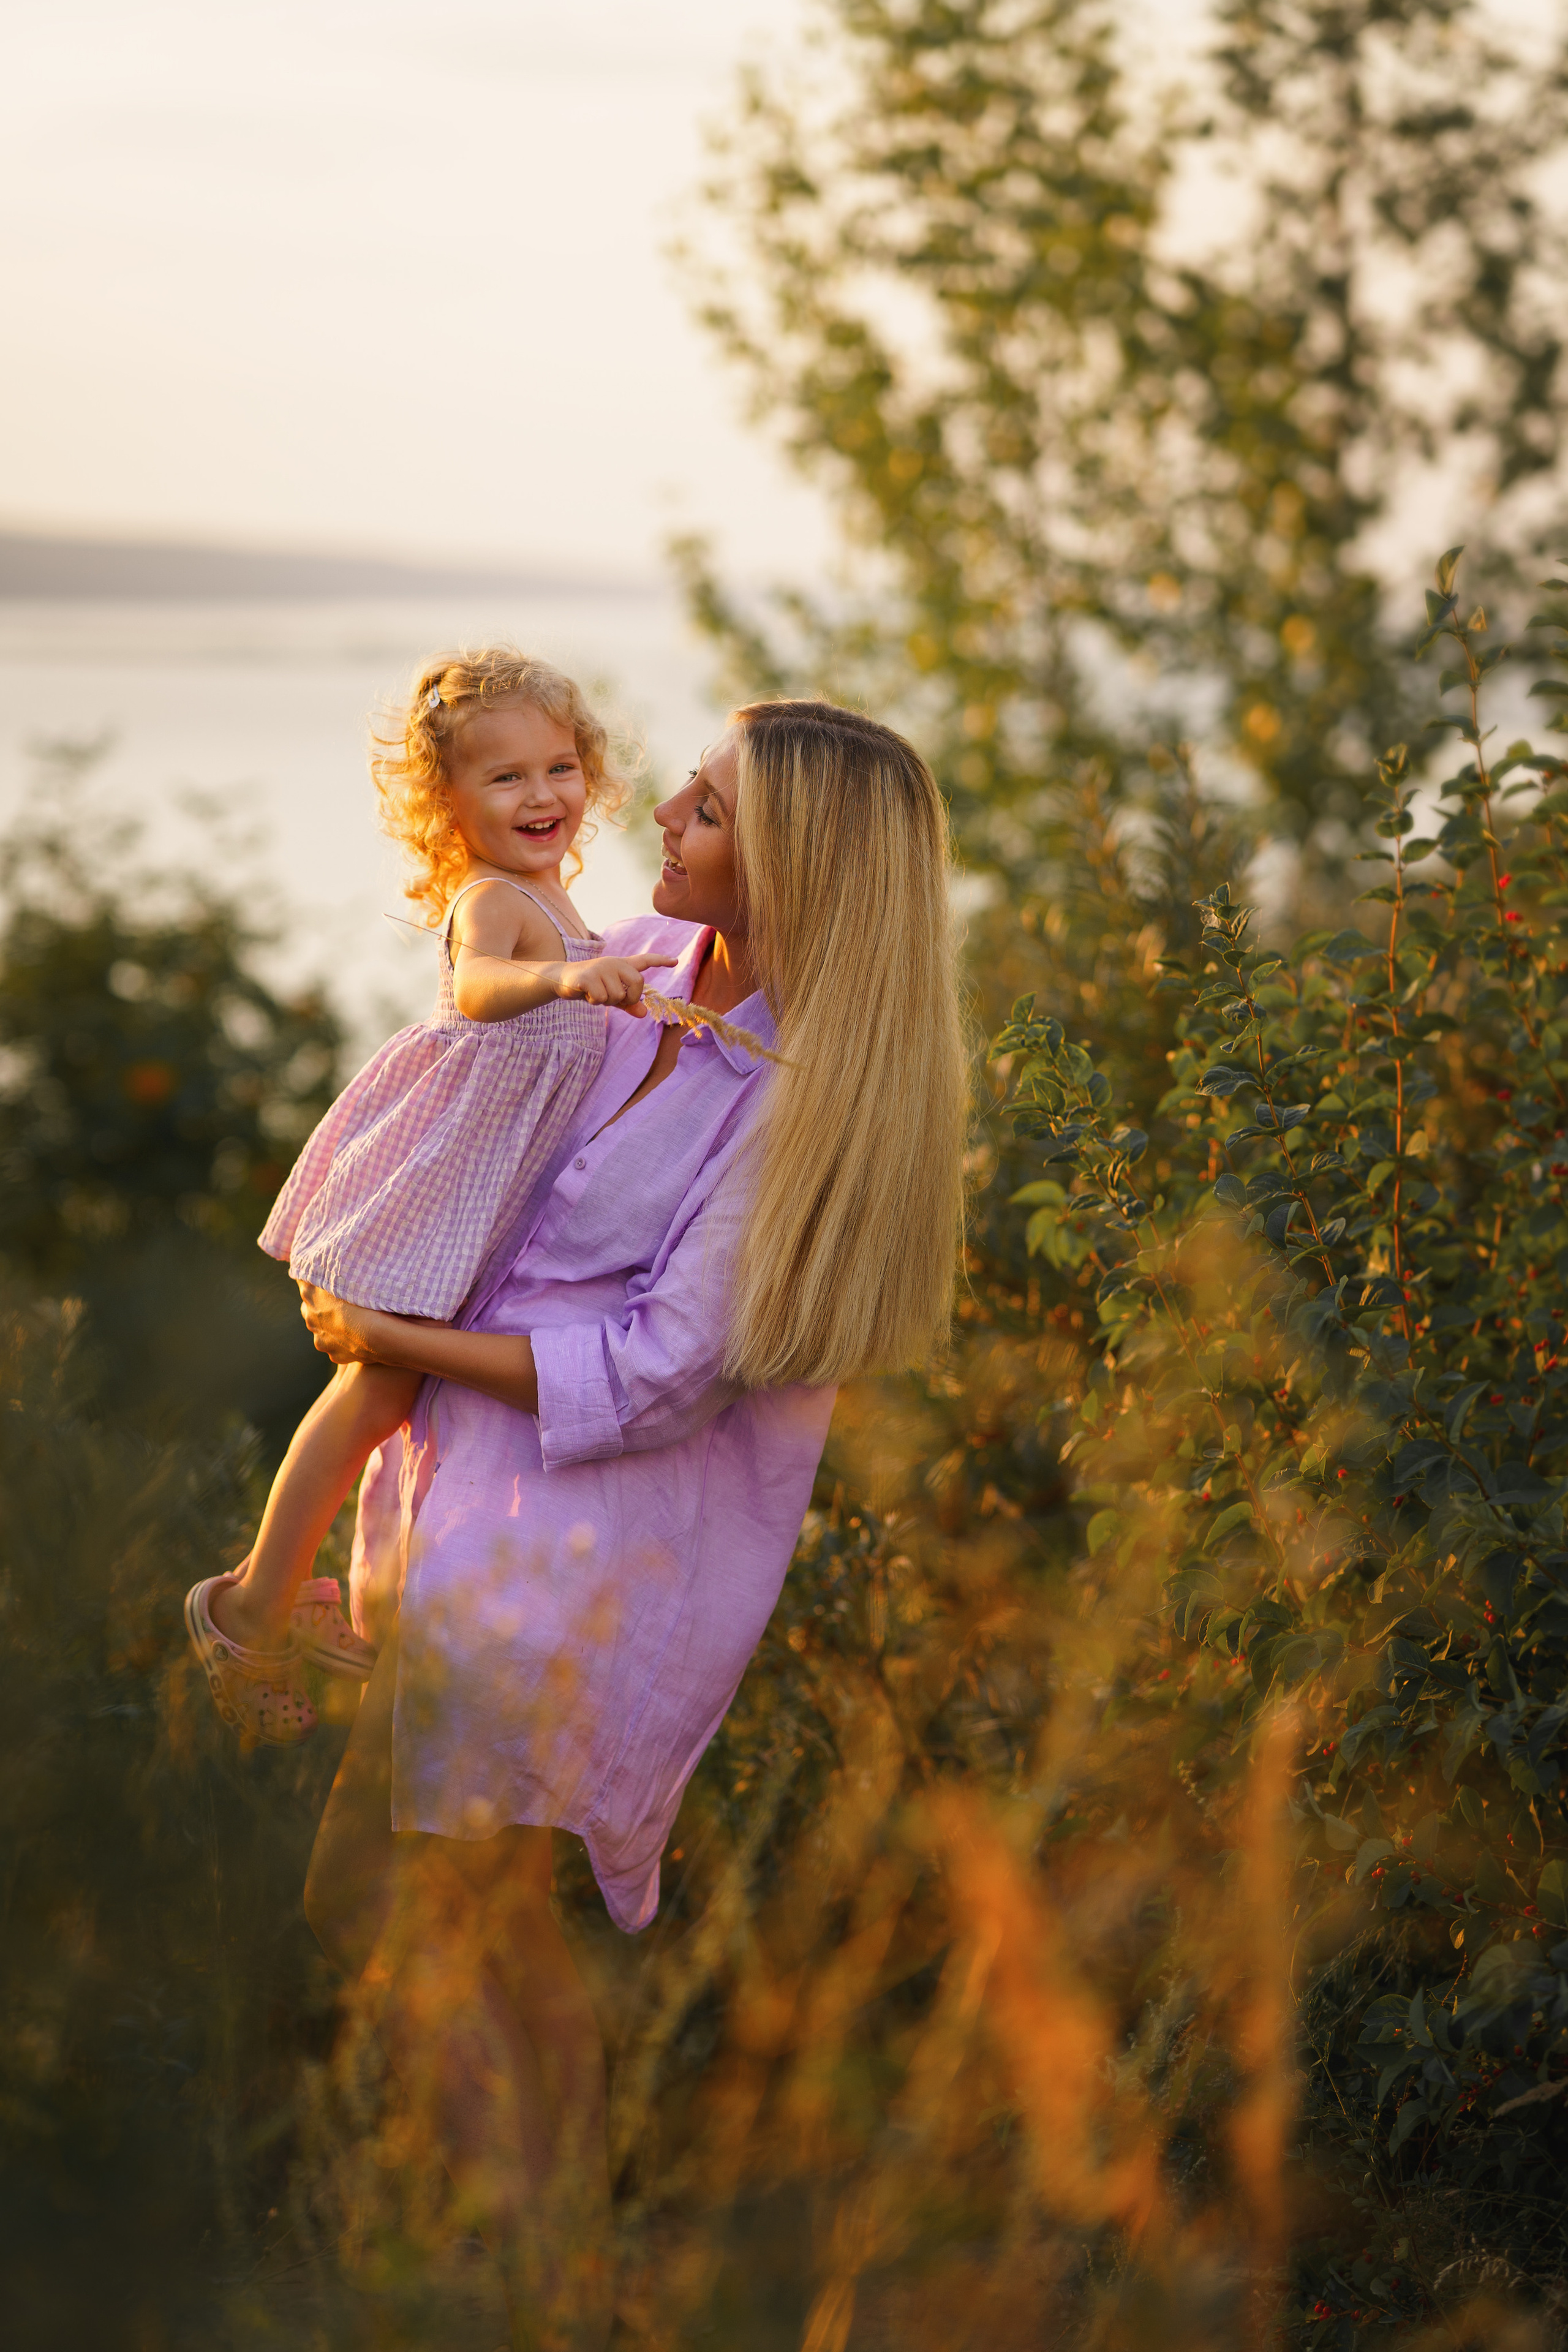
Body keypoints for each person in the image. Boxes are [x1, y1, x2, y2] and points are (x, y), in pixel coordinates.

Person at [293, 700, 969, 2350]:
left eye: (712, 808)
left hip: (590, 1554)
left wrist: (392, 1339)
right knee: (476, 1932)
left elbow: (664, 1373)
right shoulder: (656, 965)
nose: (659, 809)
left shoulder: (803, 1085)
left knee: (393, 1909)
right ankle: (542, 2274)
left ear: (793, 863)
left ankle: (494, 2274)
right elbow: (494, 1040)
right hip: (486, 1511)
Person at [184, 647, 673, 1743]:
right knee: (376, 1392)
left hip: (481, 1198)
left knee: (395, 1397)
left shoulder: (557, 893)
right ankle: (252, 1609)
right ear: (447, 803)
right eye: (505, 779)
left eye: (560, 768)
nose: (541, 796)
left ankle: (311, 1602)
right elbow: (478, 989)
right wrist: (561, 978)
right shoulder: (493, 900)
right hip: (434, 1182)